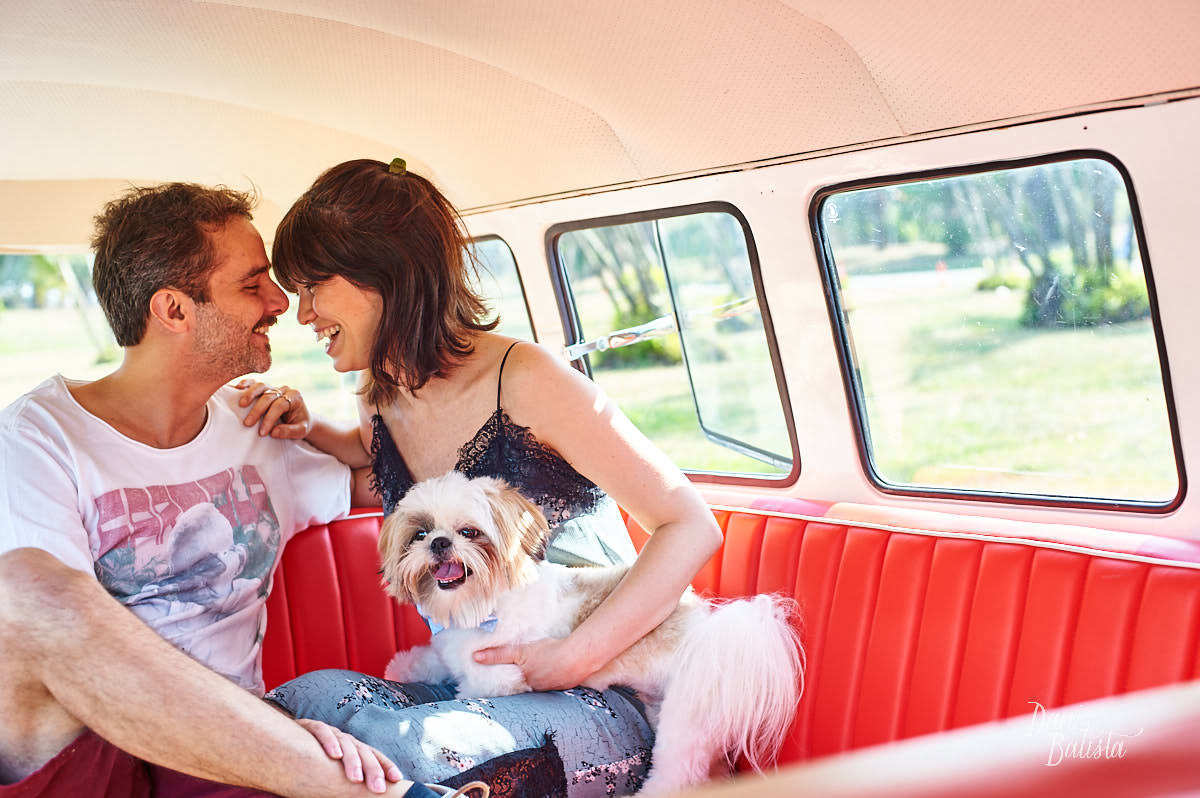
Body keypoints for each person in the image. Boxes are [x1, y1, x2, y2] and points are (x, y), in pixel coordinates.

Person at [237, 158, 724, 796]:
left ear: (385, 274)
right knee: (298, 703)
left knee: (395, 751)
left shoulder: (529, 381)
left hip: (602, 692)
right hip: (476, 684)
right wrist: (310, 428)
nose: (302, 314)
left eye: (313, 287)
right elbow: (378, 465)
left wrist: (571, 657)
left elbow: (691, 525)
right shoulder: (379, 394)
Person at [0, 182, 437, 797]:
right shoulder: (38, 438)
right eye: (253, 284)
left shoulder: (255, 423)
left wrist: (327, 424)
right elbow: (41, 629)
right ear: (174, 310)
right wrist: (283, 743)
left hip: (232, 762)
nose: (282, 302)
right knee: (23, 585)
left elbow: (398, 483)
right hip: (96, 756)